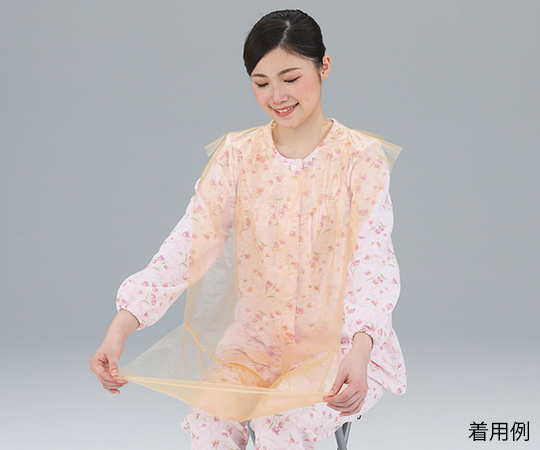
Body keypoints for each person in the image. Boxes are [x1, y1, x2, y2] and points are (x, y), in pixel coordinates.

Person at [90, 9, 406, 449]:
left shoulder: (359, 157)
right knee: (209, 424)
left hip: (339, 349)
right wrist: (121, 326)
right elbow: (188, 245)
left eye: (291, 78)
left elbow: (373, 259)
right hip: (254, 348)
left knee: (281, 427)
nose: (277, 96)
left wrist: (361, 347)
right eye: (261, 83)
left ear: (324, 66)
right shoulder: (238, 155)